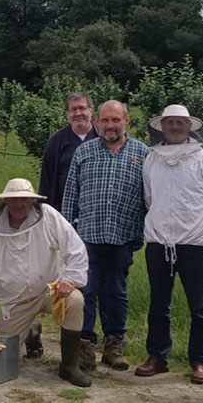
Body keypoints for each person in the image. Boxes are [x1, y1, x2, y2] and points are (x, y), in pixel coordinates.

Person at [134, 105, 203, 385]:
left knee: (199, 306)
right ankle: (158, 357)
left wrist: (197, 229)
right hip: (159, 242)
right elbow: (151, 200)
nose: (174, 127)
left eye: (180, 122)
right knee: (158, 303)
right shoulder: (152, 160)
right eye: (169, 122)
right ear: (161, 127)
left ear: (190, 126)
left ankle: (200, 361)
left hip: (195, 244)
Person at [0, 178, 90, 387]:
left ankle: (70, 366)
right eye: (14, 200)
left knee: (75, 300)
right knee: (3, 359)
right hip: (16, 301)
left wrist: (70, 279)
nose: (19, 205)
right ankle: (31, 329)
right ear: (5, 201)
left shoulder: (49, 217)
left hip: (50, 291)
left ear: (32, 200)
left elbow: (76, 249)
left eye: (24, 199)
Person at [61, 99, 149, 371]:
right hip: (87, 236)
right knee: (86, 292)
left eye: (116, 120)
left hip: (123, 236)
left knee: (117, 291)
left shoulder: (143, 154)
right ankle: (85, 345)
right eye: (105, 120)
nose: (110, 125)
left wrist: (139, 234)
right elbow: (70, 196)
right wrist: (67, 236)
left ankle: (114, 345)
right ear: (97, 122)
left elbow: (148, 199)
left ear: (127, 121)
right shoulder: (84, 152)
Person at [39, 92, 98, 211]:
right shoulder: (56, 142)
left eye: (82, 108)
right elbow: (46, 180)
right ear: (67, 114)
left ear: (91, 111)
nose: (78, 113)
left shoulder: (103, 137)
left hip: (97, 212)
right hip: (64, 212)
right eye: (73, 109)